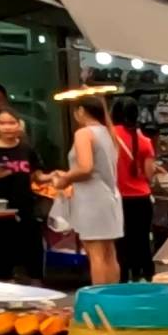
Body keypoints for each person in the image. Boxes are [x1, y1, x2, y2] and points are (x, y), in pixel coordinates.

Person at [52, 98, 122, 286]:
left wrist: (65, 179)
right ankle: (112, 295)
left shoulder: (84, 133)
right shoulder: (108, 133)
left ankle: (98, 299)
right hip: (109, 196)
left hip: (91, 198)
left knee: (96, 253)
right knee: (109, 252)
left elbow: (85, 167)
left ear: (81, 111)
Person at [0, 109, 44, 282]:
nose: (7, 127)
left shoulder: (27, 148)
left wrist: (55, 178)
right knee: (3, 245)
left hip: (26, 203)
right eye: (2, 123)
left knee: (32, 244)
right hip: (1, 206)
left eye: (11, 122)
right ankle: (6, 282)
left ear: (19, 124)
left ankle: (35, 281)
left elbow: (37, 174)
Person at [109, 97, 158, 281]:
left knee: (121, 242)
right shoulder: (144, 140)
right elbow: (149, 173)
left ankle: (122, 279)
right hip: (141, 198)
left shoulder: (109, 136)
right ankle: (143, 276)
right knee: (142, 240)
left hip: (117, 198)